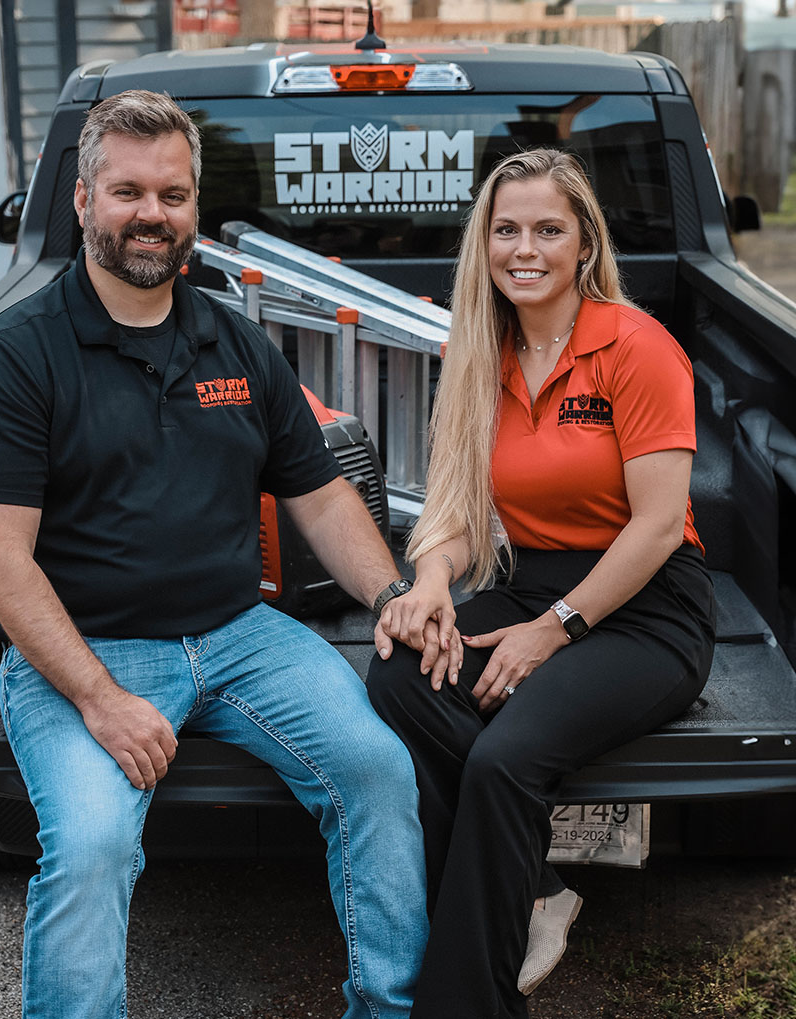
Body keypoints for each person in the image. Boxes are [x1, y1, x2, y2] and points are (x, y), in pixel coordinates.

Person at [0, 90, 430, 1019]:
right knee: (90, 843)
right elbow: (1, 561)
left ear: (195, 205)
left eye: (172, 193)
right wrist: (100, 698)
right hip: (82, 652)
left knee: (376, 768)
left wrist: (392, 594)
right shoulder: (15, 359)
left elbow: (320, 493)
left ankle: (389, 1008)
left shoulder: (234, 340)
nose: (151, 214)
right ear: (83, 199)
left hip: (240, 635)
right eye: (127, 191)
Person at [367, 148, 716, 1019]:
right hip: (533, 584)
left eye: (549, 230)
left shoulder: (637, 347)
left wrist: (554, 627)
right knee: (402, 675)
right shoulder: (481, 349)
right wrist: (431, 581)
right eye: (507, 229)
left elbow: (658, 525)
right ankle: (535, 889)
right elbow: (456, 507)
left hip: (648, 606)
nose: (525, 249)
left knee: (505, 760)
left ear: (585, 244)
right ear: (484, 243)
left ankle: (463, 1003)